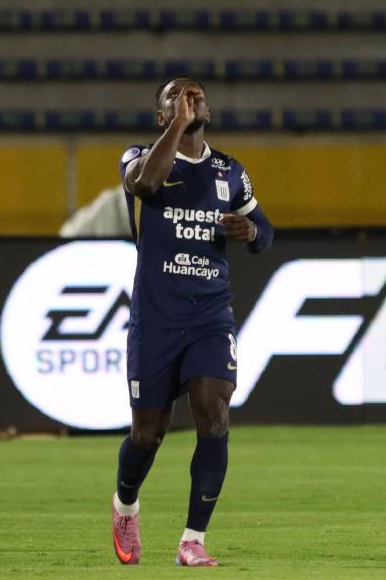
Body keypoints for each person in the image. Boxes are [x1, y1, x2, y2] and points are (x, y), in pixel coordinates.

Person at [111, 76, 274, 567]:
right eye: (176, 98)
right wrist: (178, 128)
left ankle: (193, 540)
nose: (190, 98)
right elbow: (145, 185)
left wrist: (251, 232)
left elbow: (265, 230)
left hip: (210, 315)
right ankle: (125, 506)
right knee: (148, 434)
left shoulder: (230, 171)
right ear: (162, 116)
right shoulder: (138, 156)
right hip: (156, 320)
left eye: (196, 94)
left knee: (214, 412)